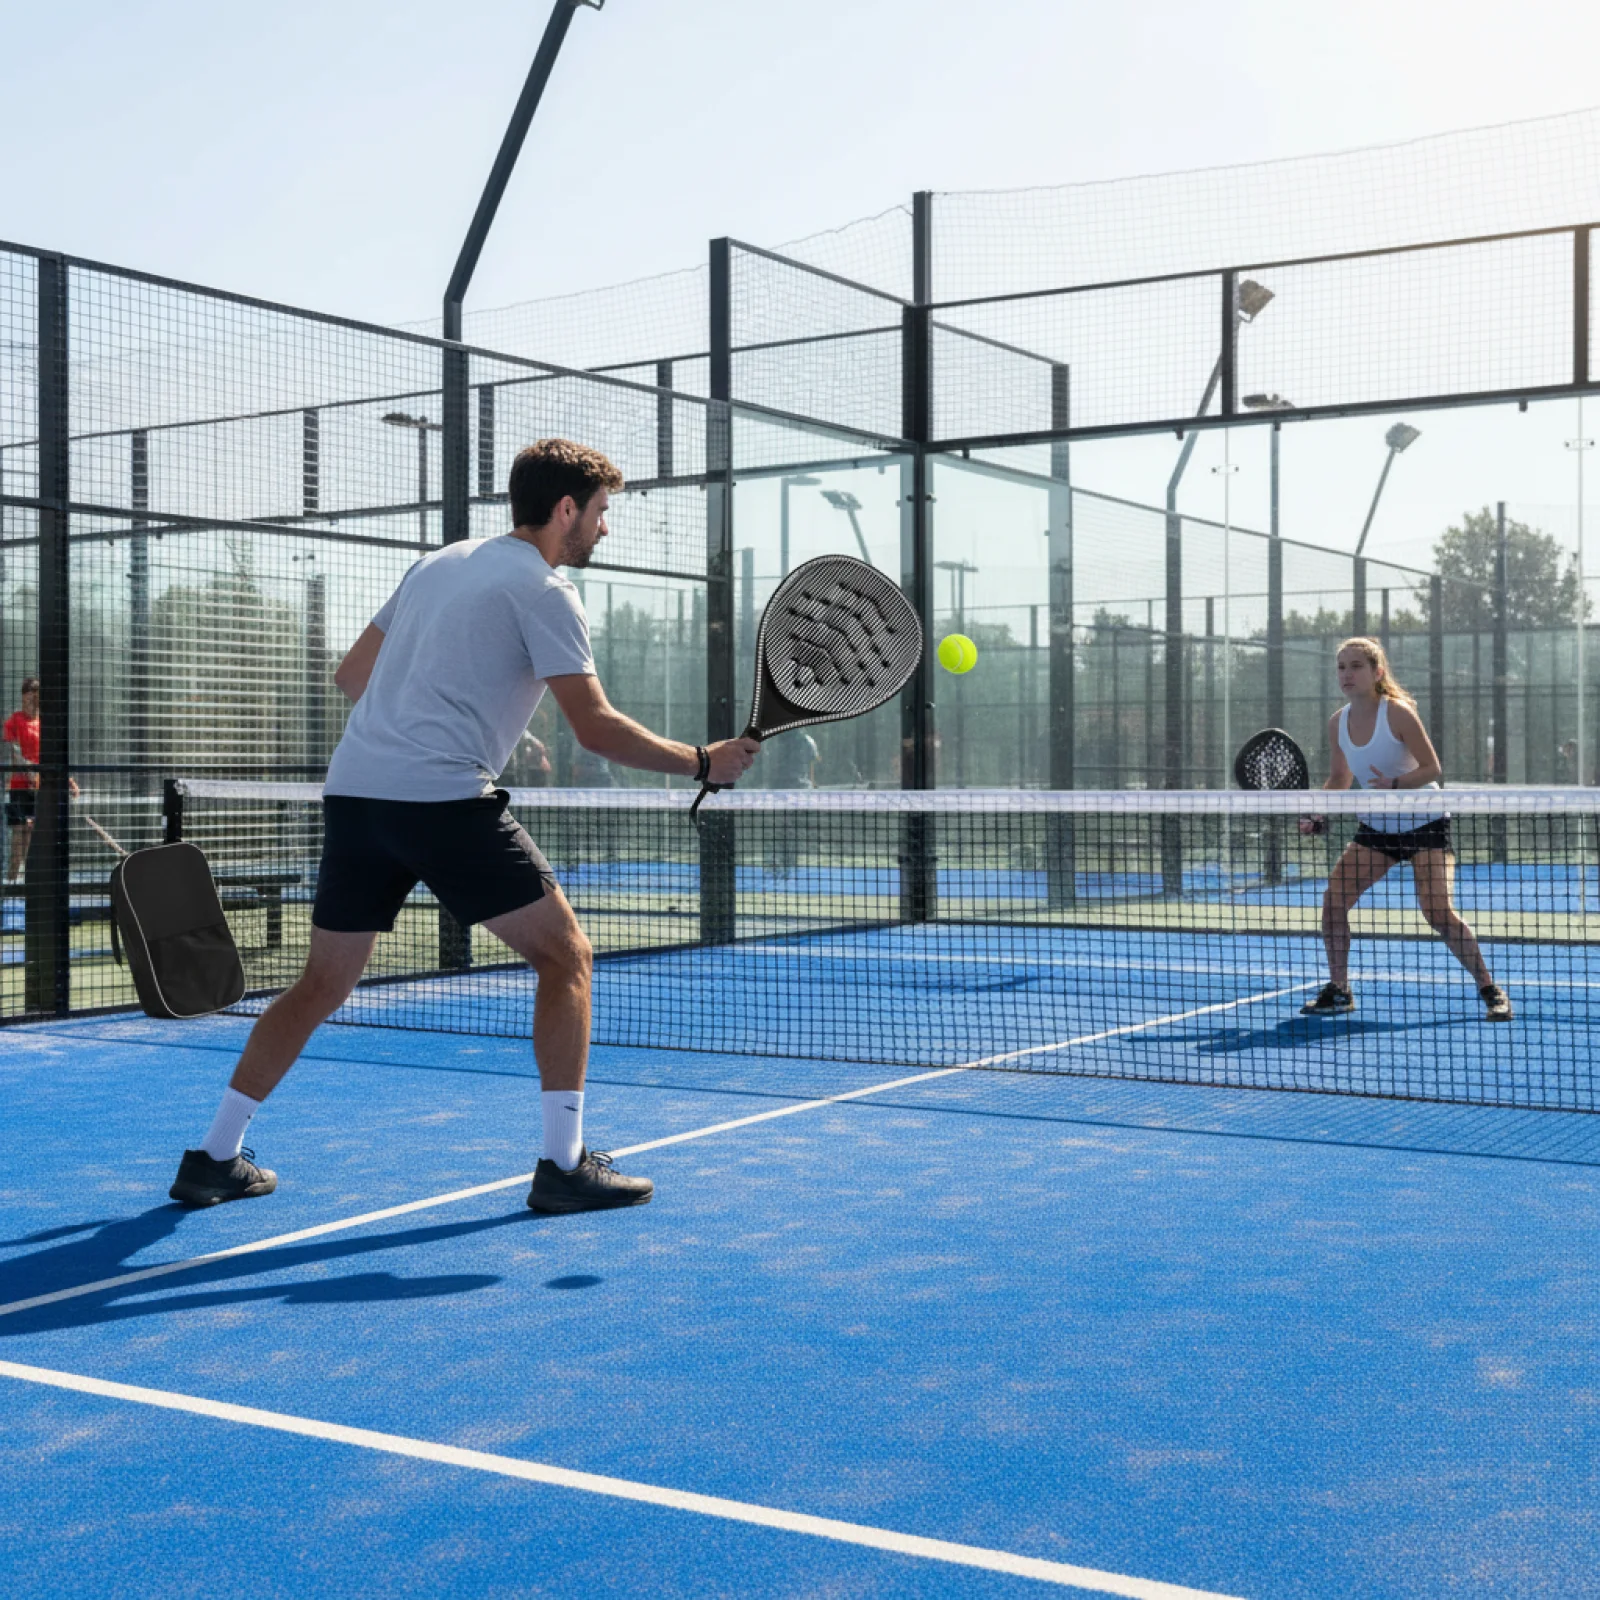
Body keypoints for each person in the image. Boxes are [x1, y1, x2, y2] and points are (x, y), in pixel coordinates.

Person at [168, 439, 760, 1211]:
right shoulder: (547, 592)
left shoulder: (440, 561)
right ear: (566, 508)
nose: (605, 530)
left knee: (321, 983)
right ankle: (564, 1165)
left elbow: (353, 678)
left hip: (355, 794)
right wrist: (701, 761)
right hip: (442, 802)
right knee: (567, 958)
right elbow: (597, 728)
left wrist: (455, 705)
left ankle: (214, 1155)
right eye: (603, 513)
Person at [1298, 636, 1511, 1022]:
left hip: (1424, 821)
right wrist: (1318, 812)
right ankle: (1340, 990)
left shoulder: (1397, 713)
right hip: (1377, 829)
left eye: (1356, 666)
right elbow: (1340, 778)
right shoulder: (1338, 723)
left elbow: (1432, 769)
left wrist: (1396, 785)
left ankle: (1489, 987)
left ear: (1377, 672)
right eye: (1341, 667)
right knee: (1333, 903)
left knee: (1437, 912)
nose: (1346, 674)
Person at [3, 677, 77, 882]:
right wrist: (29, 771)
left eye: (35, 695)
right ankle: (11, 882)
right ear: (23, 696)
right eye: (28, 694)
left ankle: (29, 884)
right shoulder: (14, 721)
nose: (32, 699)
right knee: (18, 834)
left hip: (40, 786)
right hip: (19, 785)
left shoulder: (45, 724)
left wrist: (68, 781)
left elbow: (53, 756)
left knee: (32, 836)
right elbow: (12, 750)